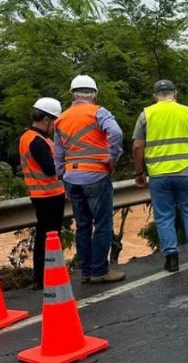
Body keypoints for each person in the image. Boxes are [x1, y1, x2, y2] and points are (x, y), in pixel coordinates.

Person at [132, 80, 188, 272]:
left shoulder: (146, 114)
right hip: (187, 172)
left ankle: (171, 258)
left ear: (155, 96)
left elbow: (137, 146)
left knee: (164, 216)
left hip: (159, 175)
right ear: (175, 93)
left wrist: (139, 172)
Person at [54, 74, 125, 284]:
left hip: (71, 178)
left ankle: (85, 272)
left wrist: (62, 176)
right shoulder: (98, 112)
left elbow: (58, 155)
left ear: (72, 94)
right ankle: (100, 270)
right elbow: (116, 133)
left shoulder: (61, 118)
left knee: (83, 226)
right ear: (95, 94)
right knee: (102, 224)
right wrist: (112, 158)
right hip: (96, 175)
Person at [19, 98, 66, 290]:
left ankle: (42, 276)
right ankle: (45, 276)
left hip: (43, 195)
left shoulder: (29, 137)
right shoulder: (37, 141)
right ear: (46, 119)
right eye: (54, 121)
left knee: (43, 236)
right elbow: (49, 168)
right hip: (49, 196)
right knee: (50, 237)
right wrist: (64, 163)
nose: (55, 125)